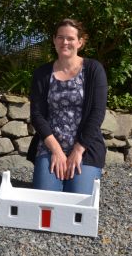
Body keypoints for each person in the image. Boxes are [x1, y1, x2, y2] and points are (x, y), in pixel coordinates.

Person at [27, 19, 108, 195]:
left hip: (85, 146)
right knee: (46, 201)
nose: (65, 42)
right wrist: (56, 151)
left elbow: (97, 112)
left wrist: (78, 150)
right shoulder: (42, 73)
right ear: (54, 40)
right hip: (51, 145)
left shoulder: (94, 70)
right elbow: (37, 115)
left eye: (70, 38)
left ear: (80, 42)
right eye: (60, 37)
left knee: (78, 200)